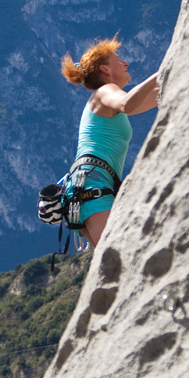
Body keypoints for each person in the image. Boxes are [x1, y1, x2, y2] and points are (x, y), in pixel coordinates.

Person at [61, 37, 159, 246]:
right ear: (105, 69)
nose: (125, 63)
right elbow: (128, 104)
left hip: (88, 185)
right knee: (120, 254)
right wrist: (161, 72)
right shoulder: (105, 92)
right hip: (92, 185)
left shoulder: (105, 101)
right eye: (118, 59)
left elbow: (156, 98)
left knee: (117, 259)